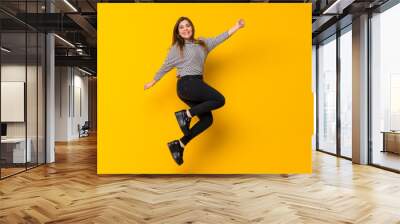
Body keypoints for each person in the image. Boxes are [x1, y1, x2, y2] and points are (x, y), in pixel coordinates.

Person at [144, 16, 245, 165]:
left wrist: (236, 26)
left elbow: (220, 38)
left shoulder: (203, 43)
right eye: (182, 27)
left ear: (192, 28)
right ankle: (186, 115)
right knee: (219, 100)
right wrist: (153, 81)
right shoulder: (177, 48)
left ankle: (180, 143)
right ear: (178, 32)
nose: (185, 29)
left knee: (207, 120)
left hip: (196, 85)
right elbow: (165, 66)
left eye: (188, 26)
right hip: (186, 84)